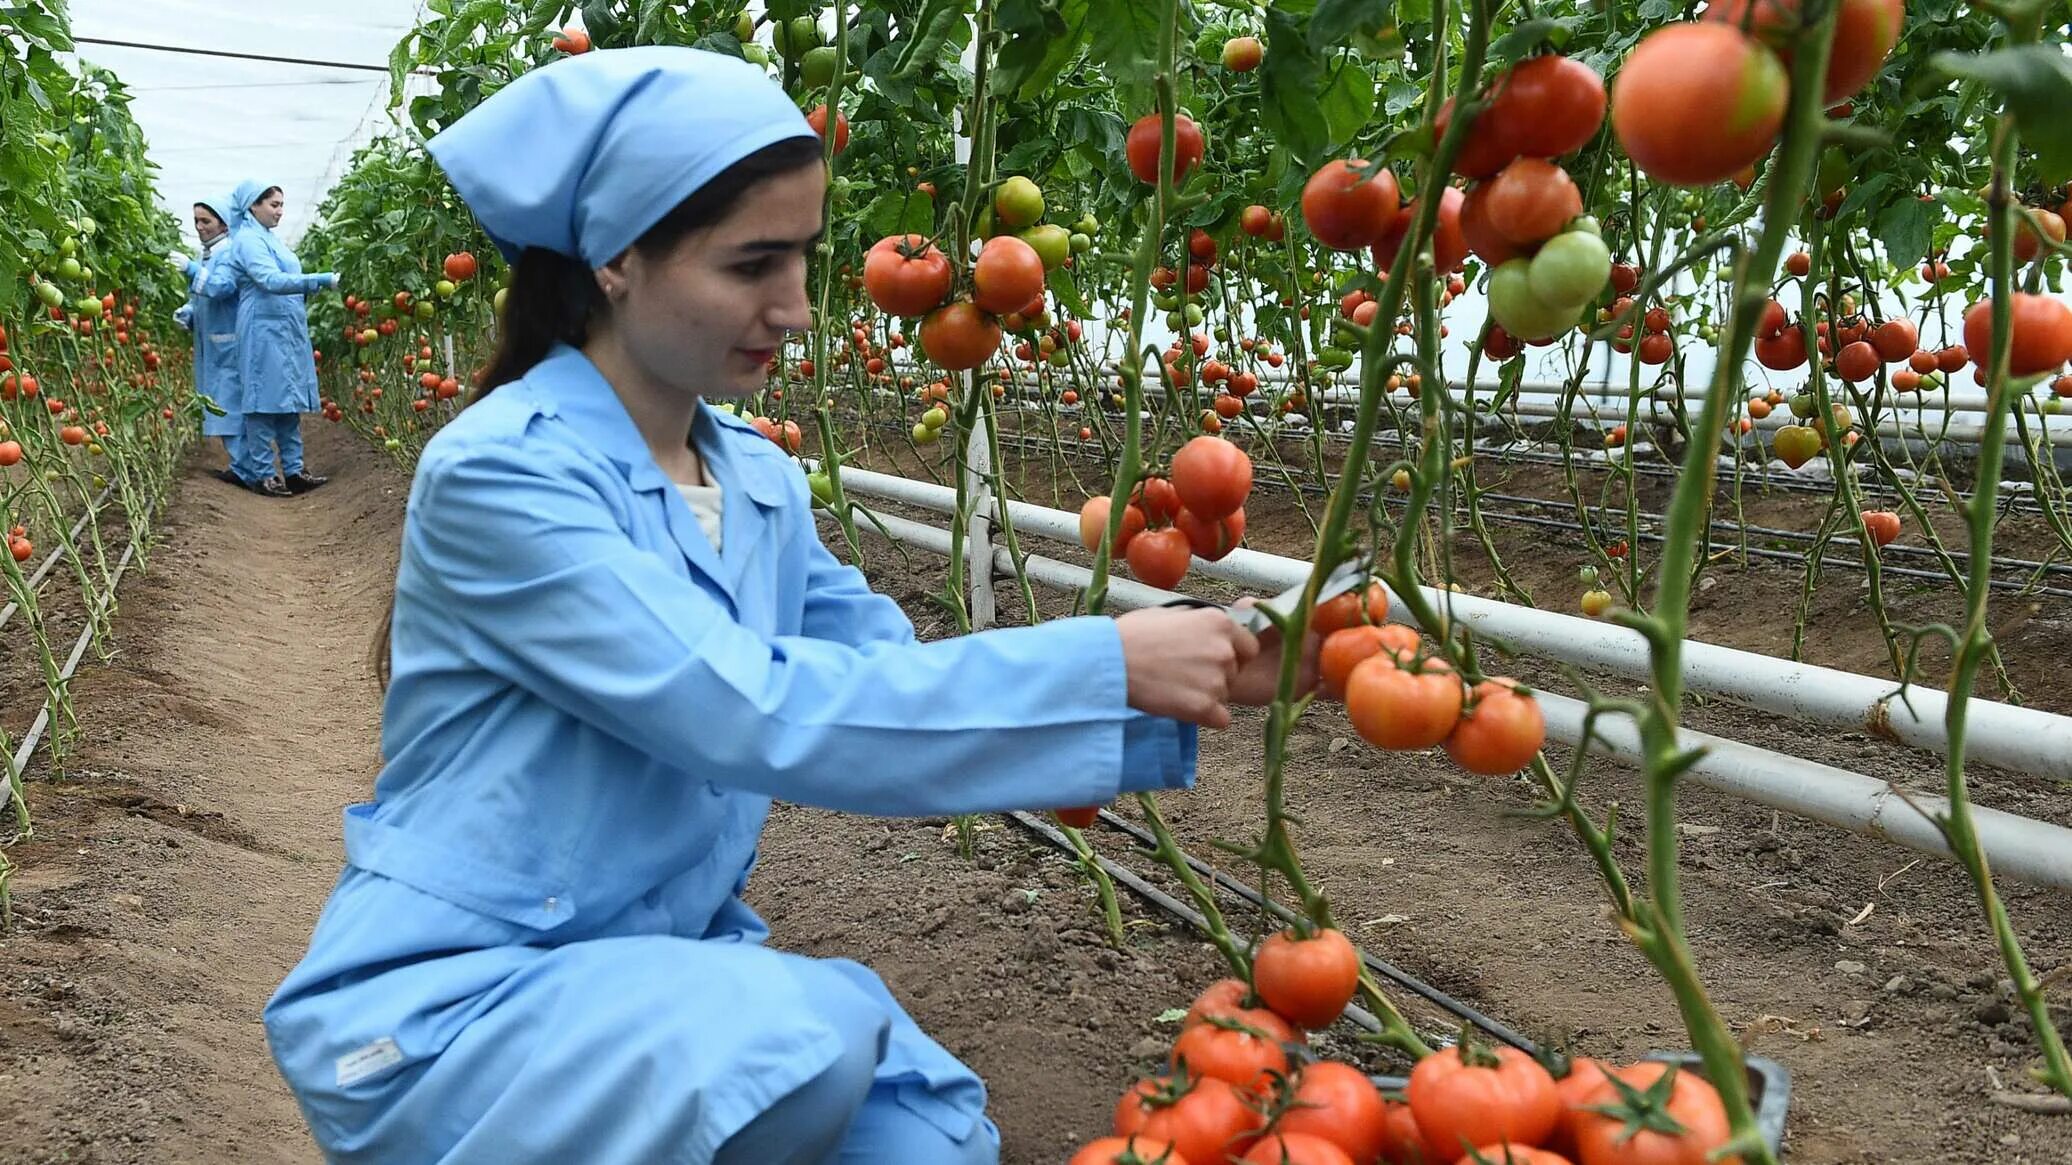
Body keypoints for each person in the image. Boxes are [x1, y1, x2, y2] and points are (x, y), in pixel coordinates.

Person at [263, 47, 1310, 1165]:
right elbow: (747, 708)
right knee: (808, 1038)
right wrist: (1110, 663)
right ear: (616, 259)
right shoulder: (501, 475)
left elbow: (884, 673)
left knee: (926, 1135)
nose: (796, 310)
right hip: (460, 1008)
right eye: (751, 263)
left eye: (803, 258)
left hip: (647, 992)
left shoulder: (754, 478)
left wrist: (1223, 663)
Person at [219, 180, 337, 497]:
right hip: (261, 328)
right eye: (274, 205)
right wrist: (320, 280)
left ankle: (295, 470)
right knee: (260, 403)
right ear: (252, 206)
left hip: (284, 328)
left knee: (287, 401)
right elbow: (269, 280)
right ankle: (264, 474)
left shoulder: (269, 239)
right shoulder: (246, 240)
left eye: (282, 205)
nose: (280, 211)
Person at [174, 195, 249, 483]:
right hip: (213, 342)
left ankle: (247, 469)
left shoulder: (228, 253)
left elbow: (222, 287)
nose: (199, 227)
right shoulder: (206, 255)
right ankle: (242, 467)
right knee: (222, 403)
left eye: (206, 221)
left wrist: (192, 271)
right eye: (196, 221)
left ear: (223, 223)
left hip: (227, 343)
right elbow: (202, 298)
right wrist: (189, 312)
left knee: (230, 406)